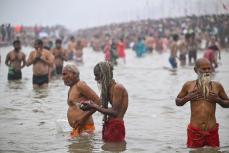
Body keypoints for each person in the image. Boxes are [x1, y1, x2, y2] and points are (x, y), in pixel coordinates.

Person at [175, 58, 229, 148]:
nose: (207, 71)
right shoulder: (189, 85)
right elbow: (177, 101)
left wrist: (218, 100)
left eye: (209, 68)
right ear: (196, 70)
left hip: (212, 131)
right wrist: (188, 98)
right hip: (194, 131)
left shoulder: (217, 86)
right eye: (203, 69)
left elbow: (227, 103)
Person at [81, 61, 128, 142]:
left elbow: (115, 112)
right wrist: (88, 106)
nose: (95, 79)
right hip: (107, 125)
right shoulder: (106, 89)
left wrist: (93, 106)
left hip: (116, 127)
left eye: (97, 75)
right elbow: (101, 106)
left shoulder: (118, 88)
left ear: (104, 74)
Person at [62, 63, 100, 138]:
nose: (62, 77)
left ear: (74, 74)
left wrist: (83, 118)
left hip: (85, 128)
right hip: (78, 129)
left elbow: (98, 102)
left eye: (64, 74)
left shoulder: (80, 85)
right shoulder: (72, 87)